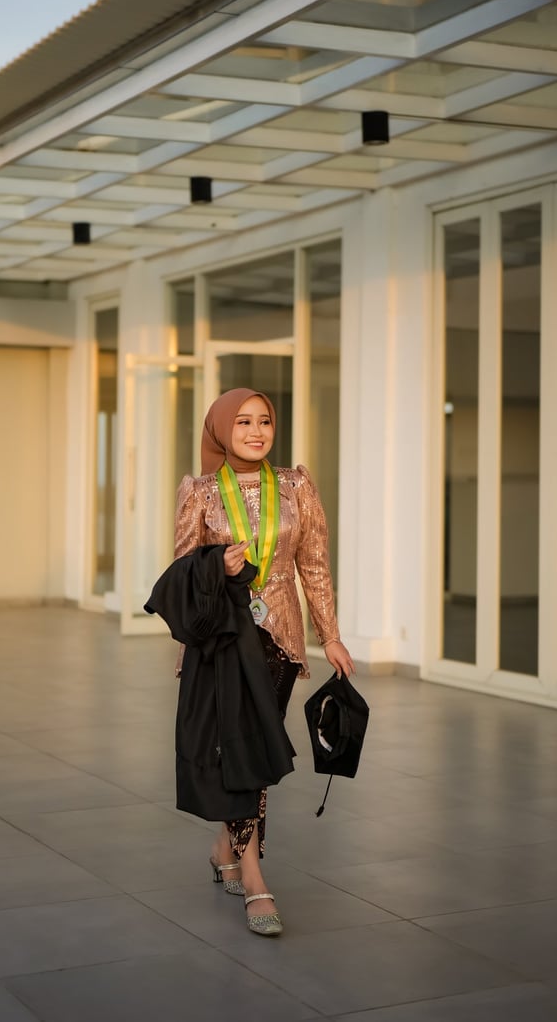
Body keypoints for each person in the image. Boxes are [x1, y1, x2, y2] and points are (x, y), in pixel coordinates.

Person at [173, 387, 354, 936]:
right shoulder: (201, 492)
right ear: (221, 430)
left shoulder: (296, 487)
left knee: (256, 748)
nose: (256, 432)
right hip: (223, 639)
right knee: (238, 748)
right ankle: (253, 877)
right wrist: (217, 566)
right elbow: (181, 572)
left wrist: (331, 637)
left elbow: (314, 566)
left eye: (265, 421)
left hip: (281, 640)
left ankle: (224, 847)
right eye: (244, 422)